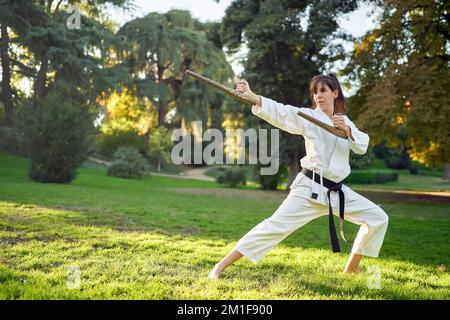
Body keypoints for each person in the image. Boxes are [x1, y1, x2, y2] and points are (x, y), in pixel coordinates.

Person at [208, 74, 389, 279]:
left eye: (323, 91)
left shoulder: (344, 121)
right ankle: (219, 266)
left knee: (378, 217)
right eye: (315, 92)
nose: (318, 96)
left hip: (336, 191)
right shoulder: (307, 117)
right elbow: (282, 112)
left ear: (335, 93)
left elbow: (362, 145)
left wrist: (347, 130)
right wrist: (255, 98)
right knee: (273, 227)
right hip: (309, 189)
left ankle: (352, 268)